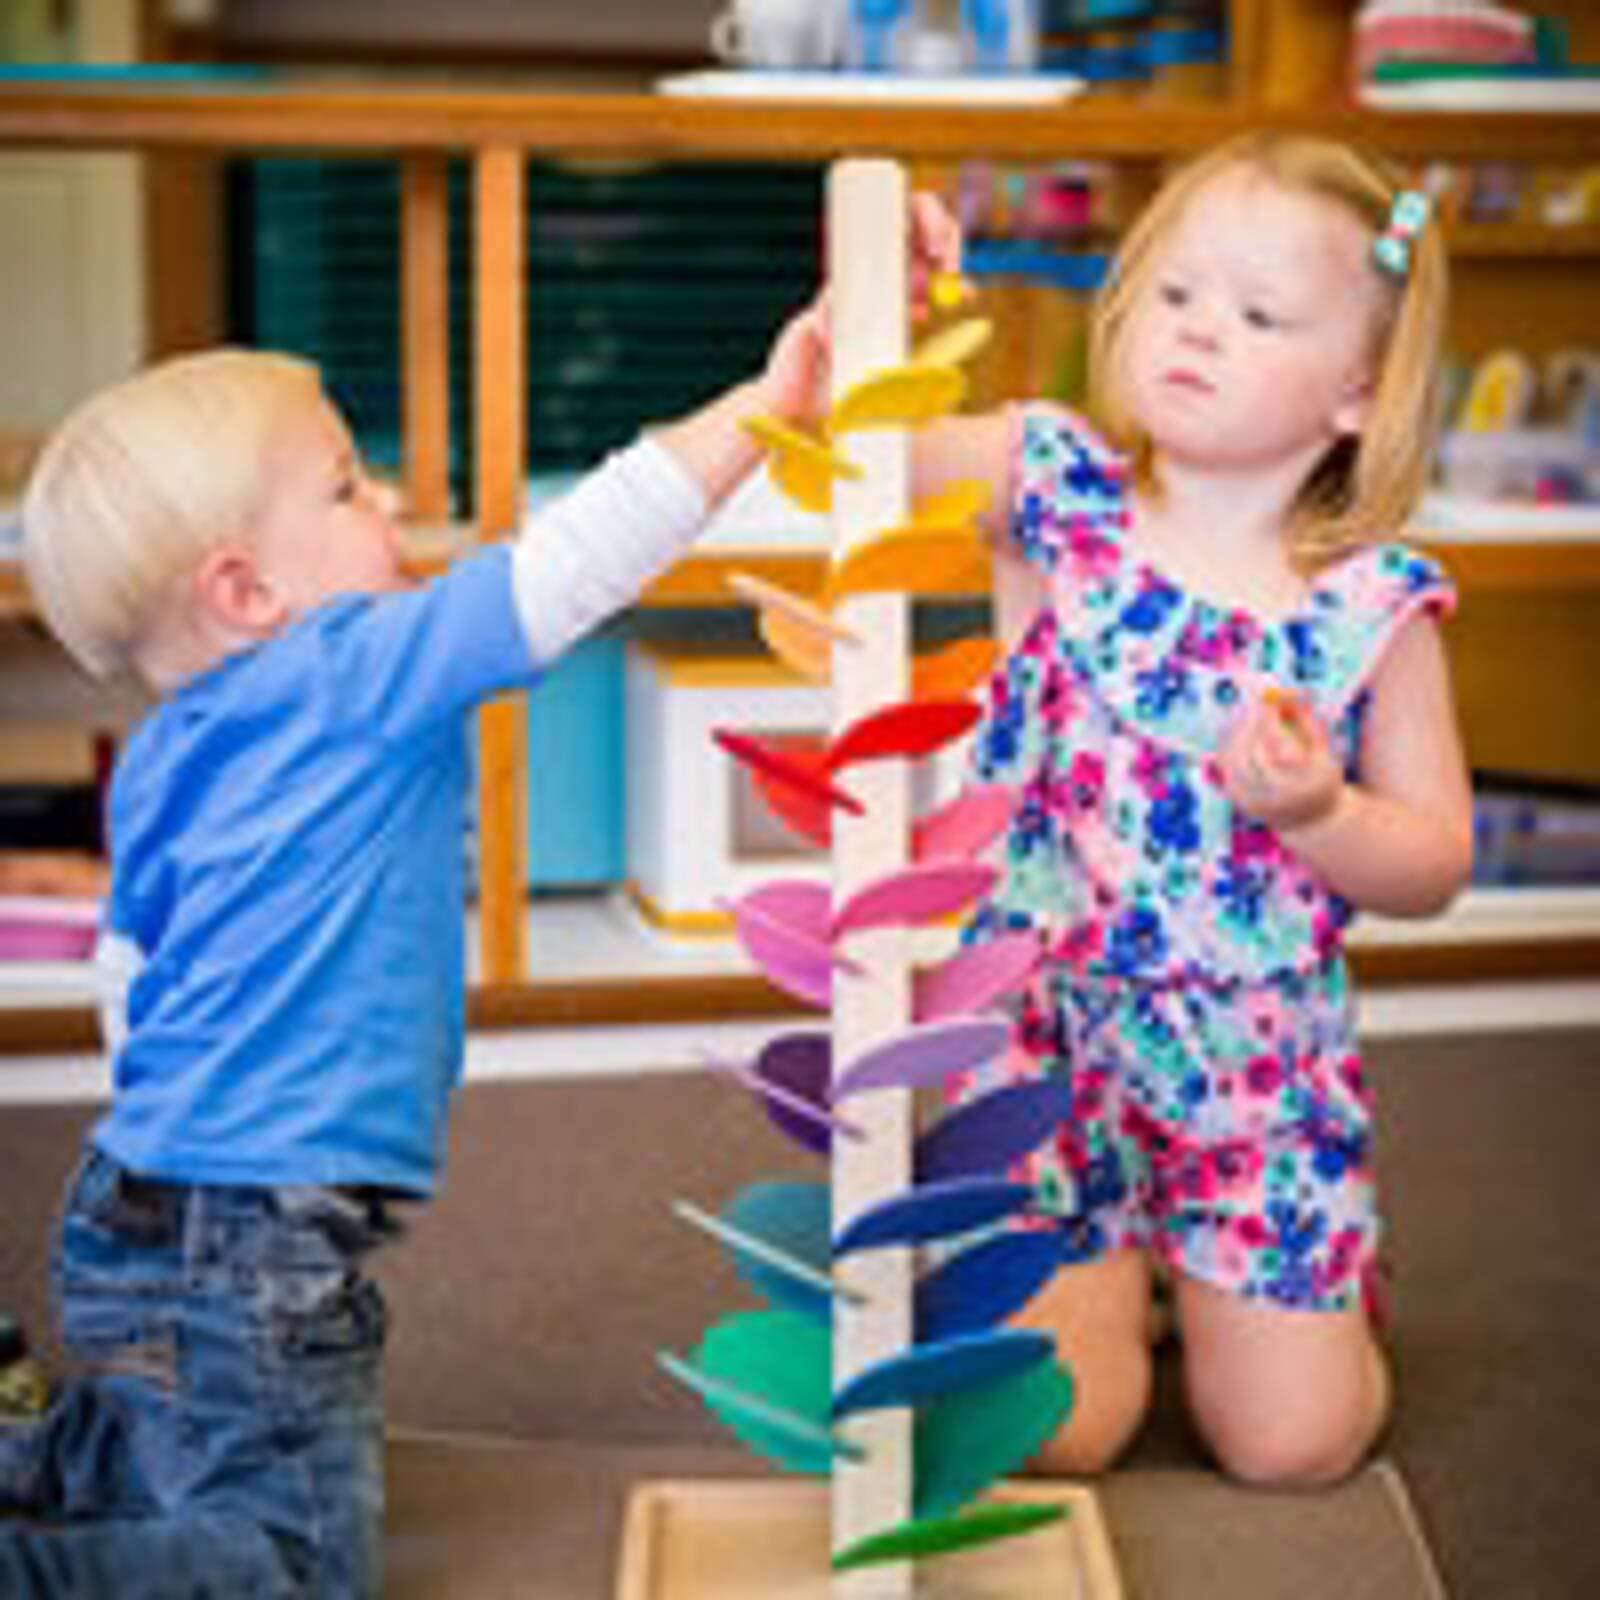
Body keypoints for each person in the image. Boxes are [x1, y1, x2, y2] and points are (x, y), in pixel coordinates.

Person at [0, 194, 961, 1598]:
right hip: (258, 1224)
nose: (383, 501)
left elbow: (127, 971)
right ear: (247, 589)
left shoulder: (156, 761)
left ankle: (42, 1450)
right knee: (298, 1564)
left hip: (149, 1195)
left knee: (179, 1436)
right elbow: (578, 560)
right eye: (344, 486)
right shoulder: (355, 665)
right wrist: (766, 404)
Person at [924, 132, 1472, 1487]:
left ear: (1356, 391)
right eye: (1175, 293)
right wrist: (881, 300)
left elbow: (1436, 861)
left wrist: (1325, 809)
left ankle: (1308, 1296)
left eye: (1260, 312)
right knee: (1058, 1434)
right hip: (1045, 1049)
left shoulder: (1372, 611)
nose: (1200, 330)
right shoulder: (1051, 485)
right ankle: (1124, 1275)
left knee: (1294, 1450)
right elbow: (851, 452)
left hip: (1257, 1078)